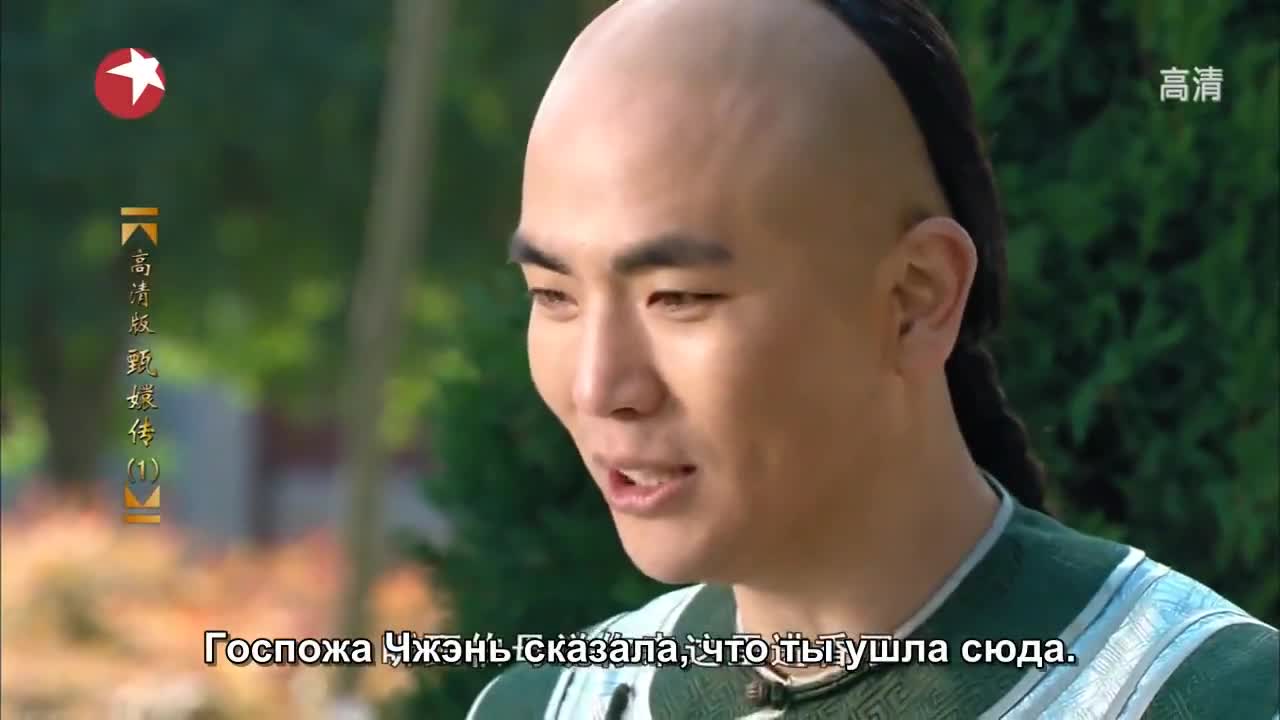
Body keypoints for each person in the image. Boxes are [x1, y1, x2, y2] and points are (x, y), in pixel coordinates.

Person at [467, 0, 1279, 717]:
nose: (598, 385)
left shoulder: (1212, 696)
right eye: (553, 294)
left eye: (679, 297)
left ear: (917, 297)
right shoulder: (544, 705)